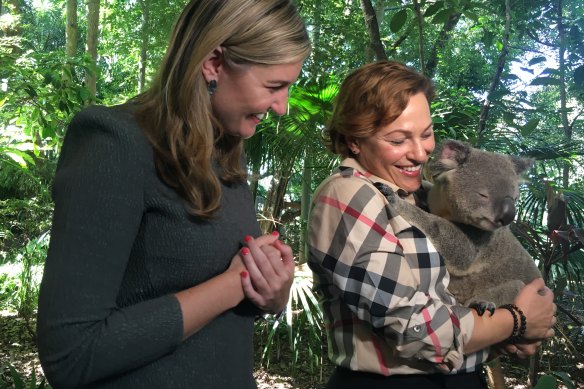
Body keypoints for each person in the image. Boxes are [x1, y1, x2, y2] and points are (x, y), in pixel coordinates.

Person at [36, 0, 311, 388]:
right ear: (214, 63)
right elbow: (71, 353)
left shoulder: (226, 154)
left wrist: (272, 293)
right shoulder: (114, 142)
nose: (281, 107)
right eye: (273, 86)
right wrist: (232, 285)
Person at [307, 61, 556, 389]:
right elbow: (419, 331)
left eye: (426, 134)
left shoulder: (417, 195)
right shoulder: (348, 194)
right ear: (354, 140)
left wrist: (515, 327)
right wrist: (517, 321)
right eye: (398, 140)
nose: (421, 153)